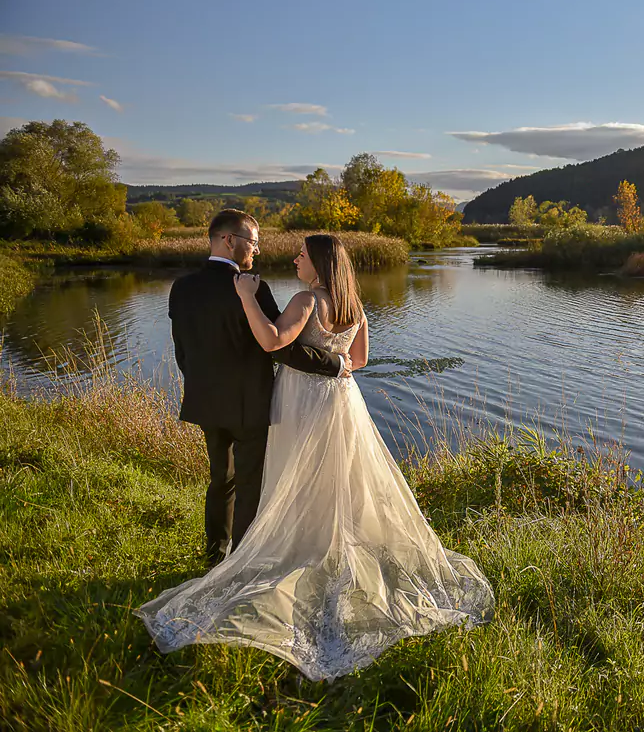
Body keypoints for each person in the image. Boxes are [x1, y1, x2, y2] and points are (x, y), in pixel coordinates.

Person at [138, 233, 494, 681]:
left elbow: (271, 342)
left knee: (294, 472)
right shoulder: (355, 306)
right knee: (335, 475)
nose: (295, 259)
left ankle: (291, 547)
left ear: (319, 263)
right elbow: (359, 359)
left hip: (302, 399)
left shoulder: (306, 299)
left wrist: (248, 297)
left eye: (301, 255)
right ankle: (325, 543)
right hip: (341, 399)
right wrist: (334, 358)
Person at [166, 209, 345, 567]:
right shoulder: (253, 287)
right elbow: (282, 348)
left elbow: (182, 350)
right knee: (250, 486)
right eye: (253, 242)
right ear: (230, 240)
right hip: (250, 404)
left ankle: (214, 556)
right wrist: (334, 364)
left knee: (221, 480)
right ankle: (241, 563)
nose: (257, 250)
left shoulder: (181, 287)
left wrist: (201, 383)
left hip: (205, 401)